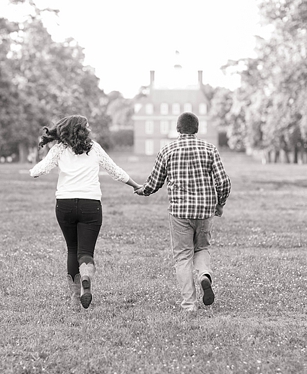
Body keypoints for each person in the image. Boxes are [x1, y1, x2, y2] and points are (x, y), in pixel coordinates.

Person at [29, 115, 141, 309]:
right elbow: (115, 171)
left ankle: (74, 297)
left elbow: (38, 171)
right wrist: (135, 185)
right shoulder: (94, 148)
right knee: (85, 252)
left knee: (72, 249)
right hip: (91, 205)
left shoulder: (59, 149)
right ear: (82, 130)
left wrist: (35, 168)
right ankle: (86, 276)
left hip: (65, 204)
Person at [135, 112, 231, 312]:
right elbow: (223, 182)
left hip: (179, 212)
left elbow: (154, 182)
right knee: (202, 248)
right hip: (205, 210)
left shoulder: (167, 150)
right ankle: (204, 274)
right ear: (196, 129)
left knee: (182, 256)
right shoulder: (209, 149)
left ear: (178, 129)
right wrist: (220, 203)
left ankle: (189, 305)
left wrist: (142, 190)